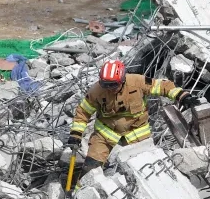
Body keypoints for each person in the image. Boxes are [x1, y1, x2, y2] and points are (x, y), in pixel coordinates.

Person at [67, 60, 200, 177]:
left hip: (137, 132)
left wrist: (182, 96)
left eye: (113, 84)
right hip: (105, 132)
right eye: (106, 84)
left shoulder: (137, 82)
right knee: (91, 167)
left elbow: (162, 86)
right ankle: (80, 192)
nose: (110, 88)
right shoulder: (96, 91)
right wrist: (76, 135)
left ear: (122, 80)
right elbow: (83, 112)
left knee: (144, 167)